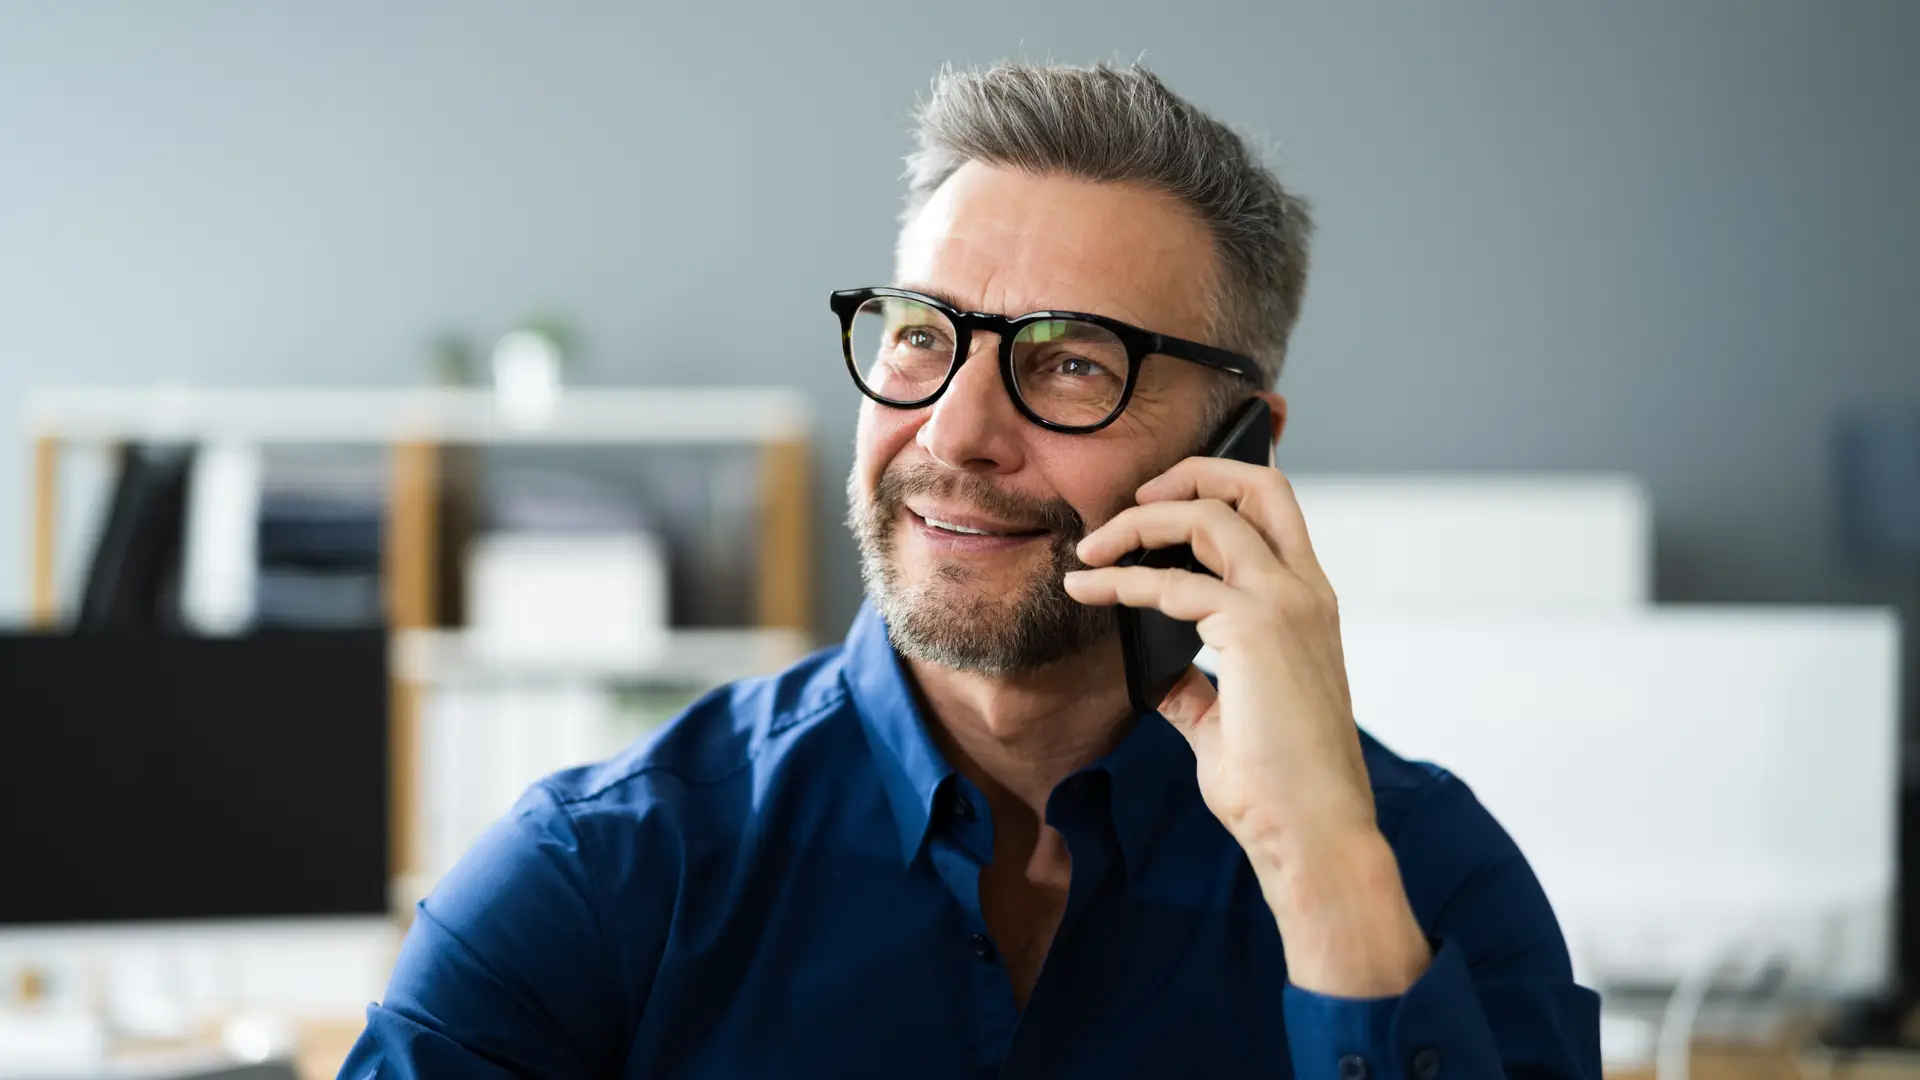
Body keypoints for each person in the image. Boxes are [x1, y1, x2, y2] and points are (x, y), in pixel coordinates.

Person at [341, 61, 1600, 1079]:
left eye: (1070, 363)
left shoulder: (1424, 876)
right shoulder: (606, 872)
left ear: (1241, 448)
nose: (953, 433)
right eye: (920, 336)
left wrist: (1322, 868)